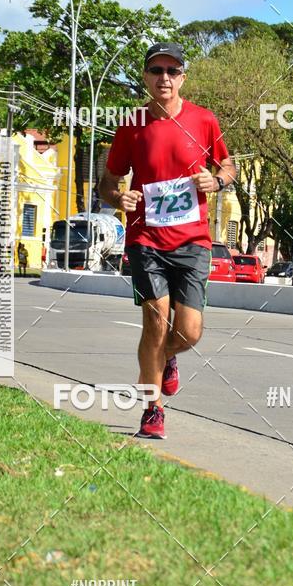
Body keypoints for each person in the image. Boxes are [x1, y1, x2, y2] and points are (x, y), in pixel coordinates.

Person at [99, 42, 236, 439]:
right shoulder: (132, 124)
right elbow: (107, 183)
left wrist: (219, 179)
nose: (164, 78)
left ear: (182, 78)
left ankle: (165, 361)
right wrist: (117, 197)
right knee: (155, 322)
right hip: (146, 238)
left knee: (189, 332)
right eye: (156, 70)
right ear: (145, 77)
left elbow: (227, 164)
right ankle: (152, 408)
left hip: (193, 240)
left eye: (172, 71)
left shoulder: (204, 120)